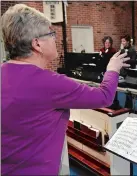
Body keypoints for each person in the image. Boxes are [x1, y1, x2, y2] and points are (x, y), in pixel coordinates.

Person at [1, 4, 130, 175]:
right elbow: (104, 96)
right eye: (51, 34)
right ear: (37, 44)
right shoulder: (49, 83)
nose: (56, 38)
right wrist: (112, 69)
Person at [99, 36, 120, 109]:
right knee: (104, 87)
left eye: (109, 43)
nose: (107, 44)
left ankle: (114, 102)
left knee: (112, 87)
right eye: (106, 43)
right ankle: (105, 101)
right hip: (103, 71)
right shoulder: (101, 50)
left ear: (111, 44)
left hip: (111, 71)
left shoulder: (113, 51)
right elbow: (100, 61)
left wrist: (105, 54)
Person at [120, 34, 137, 109]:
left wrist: (125, 60)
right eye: (122, 41)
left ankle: (129, 107)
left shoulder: (132, 50)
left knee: (129, 91)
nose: (122, 43)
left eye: (123, 41)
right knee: (124, 91)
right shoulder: (122, 50)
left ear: (127, 42)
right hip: (123, 72)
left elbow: (134, 60)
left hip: (130, 73)